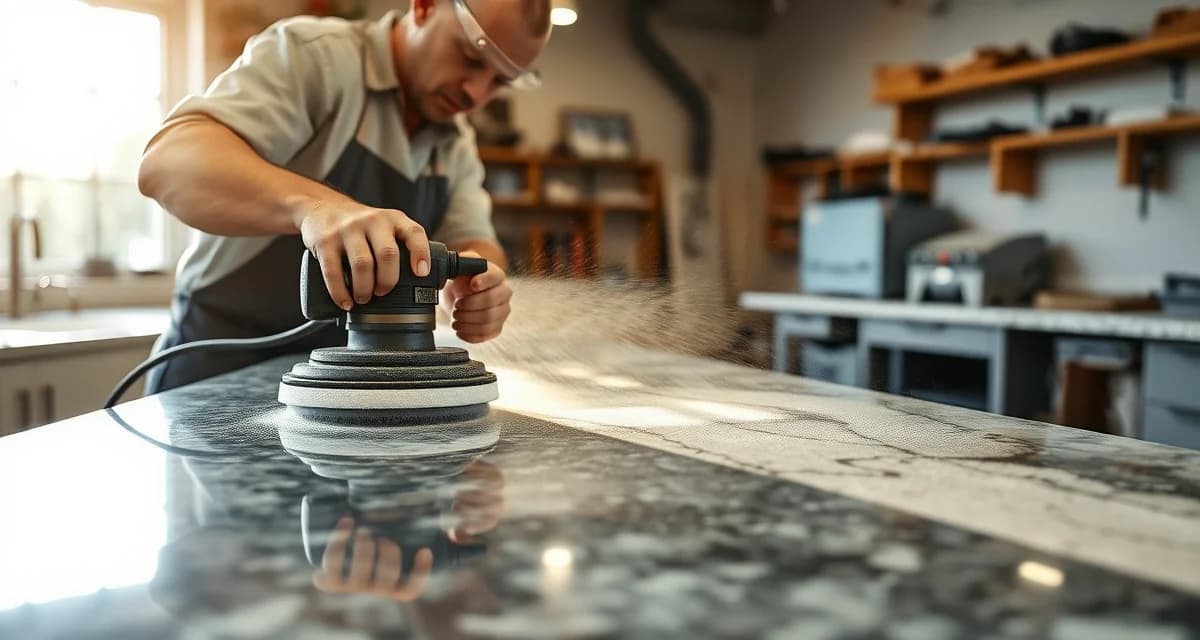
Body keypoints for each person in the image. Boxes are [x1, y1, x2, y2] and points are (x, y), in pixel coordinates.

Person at [138, 0, 551, 392]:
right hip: (213, 369)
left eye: (500, 80)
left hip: (334, 384)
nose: (475, 93)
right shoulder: (315, 58)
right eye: (470, 56)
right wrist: (318, 209)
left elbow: (476, 244)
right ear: (424, 5)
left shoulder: (455, 142)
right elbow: (167, 164)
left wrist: (481, 288)